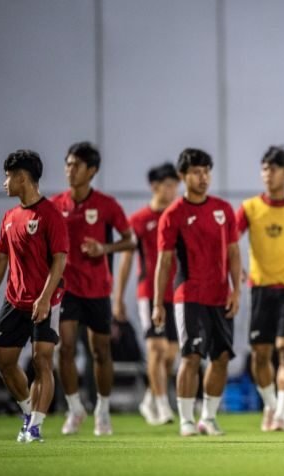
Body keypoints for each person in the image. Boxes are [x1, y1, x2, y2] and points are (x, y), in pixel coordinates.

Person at [0, 150, 68, 443]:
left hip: (47, 300)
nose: (4, 183)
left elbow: (60, 260)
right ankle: (28, 414)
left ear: (22, 178)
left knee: (42, 361)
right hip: (14, 300)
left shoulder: (51, 215)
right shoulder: (9, 216)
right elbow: (0, 259)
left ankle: (35, 427)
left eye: (8, 177)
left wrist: (45, 298)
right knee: (4, 363)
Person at [154, 148, 243, 437]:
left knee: (221, 357)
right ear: (183, 176)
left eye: (206, 171)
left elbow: (234, 252)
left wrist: (236, 290)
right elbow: (164, 262)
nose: (203, 177)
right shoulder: (173, 214)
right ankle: (186, 420)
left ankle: (208, 417)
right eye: (196, 172)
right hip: (189, 295)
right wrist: (158, 303)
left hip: (221, 296)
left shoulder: (223, 209)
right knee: (191, 356)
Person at [51, 142, 135, 436]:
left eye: (76, 165)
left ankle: (103, 410)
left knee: (100, 351)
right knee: (64, 348)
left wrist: (104, 248)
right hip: (66, 288)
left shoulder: (107, 205)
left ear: (92, 170)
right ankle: (75, 408)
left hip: (98, 288)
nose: (70, 170)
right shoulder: (55, 205)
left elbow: (130, 240)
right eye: (68, 164)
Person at [236, 146, 284, 432]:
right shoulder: (249, 208)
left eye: (274, 169)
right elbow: (228, 241)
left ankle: (283, 414)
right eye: (265, 169)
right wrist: (235, 269)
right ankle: (270, 404)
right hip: (260, 290)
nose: (268, 174)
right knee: (260, 355)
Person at [113, 163, 180, 425]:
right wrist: (118, 298)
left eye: (176, 186)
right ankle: (163, 406)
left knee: (171, 353)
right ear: (155, 186)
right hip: (149, 294)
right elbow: (126, 261)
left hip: (176, 294)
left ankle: (150, 398)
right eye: (168, 185)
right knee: (156, 348)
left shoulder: (178, 218)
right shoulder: (139, 220)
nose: (173, 191)